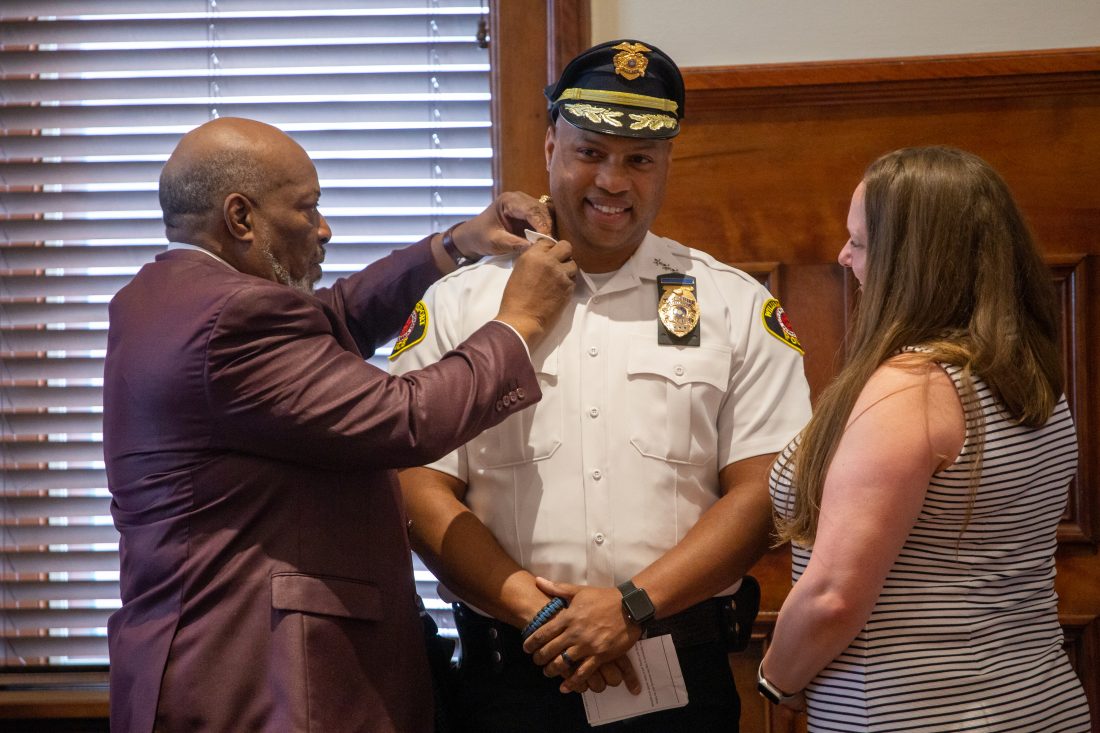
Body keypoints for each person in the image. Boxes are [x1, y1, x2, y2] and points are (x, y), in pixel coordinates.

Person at [102, 116, 578, 733]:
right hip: (263, 680)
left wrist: (459, 242)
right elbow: (405, 419)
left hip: (205, 665)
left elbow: (336, 315)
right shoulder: (233, 319)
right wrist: (521, 322)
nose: (325, 229)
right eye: (307, 209)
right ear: (240, 217)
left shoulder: (164, 297)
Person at [389, 40, 812, 732]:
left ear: (667, 163)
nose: (613, 181)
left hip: (677, 678)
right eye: (590, 152)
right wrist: (539, 612)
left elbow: (762, 487)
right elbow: (417, 483)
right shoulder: (461, 306)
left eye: (639, 160)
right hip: (505, 680)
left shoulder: (731, 306)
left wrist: (630, 607)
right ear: (552, 143)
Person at [761, 146, 1092, 731]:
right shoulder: (1029, 375)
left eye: (859, 242)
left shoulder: (911, 389)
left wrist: (776, 679)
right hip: (1036, 702)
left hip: (918, 714)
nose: (843, 257)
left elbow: (833, 597)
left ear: (910, 260)